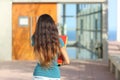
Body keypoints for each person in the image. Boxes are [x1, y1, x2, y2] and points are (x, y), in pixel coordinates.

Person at [32, 14, 70, 80]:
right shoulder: (58, 40)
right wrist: (57, 65)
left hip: (38, 75)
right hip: (54, 75)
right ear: (52, 26)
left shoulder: (35, 38)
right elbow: (67, 61)